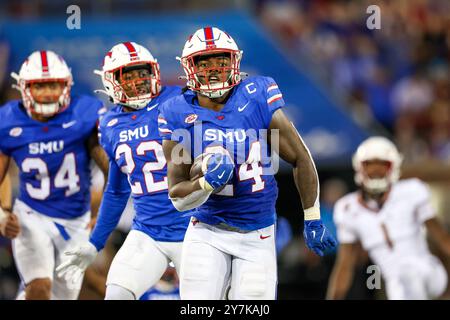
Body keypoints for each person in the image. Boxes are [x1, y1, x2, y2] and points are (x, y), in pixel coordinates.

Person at [158, 26, 336, 300]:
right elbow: (178, 197)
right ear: (188, 67)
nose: (214, 69)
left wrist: (311, 217)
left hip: (258, 234)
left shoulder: (257, 94)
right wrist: (205, 183)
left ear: (235, 62)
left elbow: (300, 157)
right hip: (207, 231)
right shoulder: (177, 111)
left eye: (221, 60)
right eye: (204, 62)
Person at [56, 42, 192, 300]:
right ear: (110, 81)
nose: (137, 80)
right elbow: (117, 190)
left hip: (195, 229)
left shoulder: (180, 100)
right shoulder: (109, 124)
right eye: (126, 75)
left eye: (141, 72)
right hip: (147, 232)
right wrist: (95, 243)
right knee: (117, 293)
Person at [0, 50, 108, 300]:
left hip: (77, 220)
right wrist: (3, 210)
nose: (48, 93)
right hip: (32, 214)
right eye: (40, 86)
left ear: (67, 86)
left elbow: (111, 171)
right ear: (24, 88)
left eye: (53, 85)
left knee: (62, 296)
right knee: (39, 288)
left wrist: (102, 214)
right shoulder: (8, 120)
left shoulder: (85, 113)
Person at [327, 136, 450, 300]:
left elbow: (441, 238)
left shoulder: (411, 191)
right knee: (399, 281)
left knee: (408, 274)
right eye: (369, 164)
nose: (375, 170)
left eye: (382, 164)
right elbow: (344, 265)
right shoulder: (348, 208)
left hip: (428, 271)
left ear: (393, 167)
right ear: (359, 167)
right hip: (395, 284)